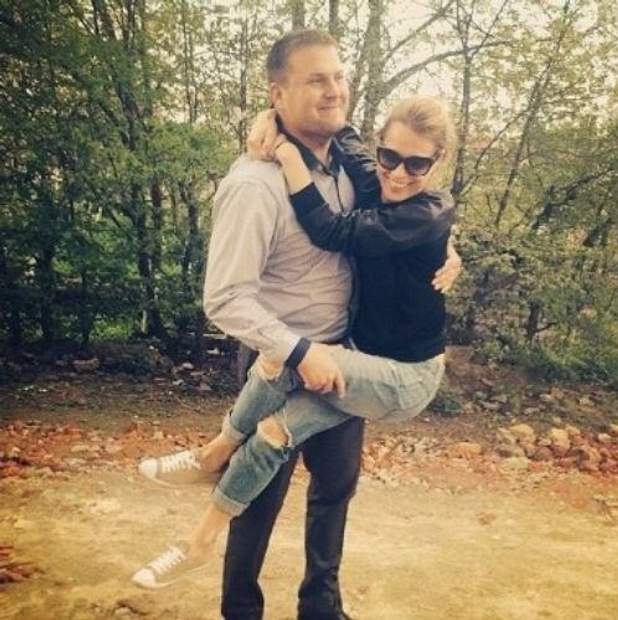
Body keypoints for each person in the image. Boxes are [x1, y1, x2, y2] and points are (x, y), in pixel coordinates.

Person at [133, 30, 461, 620]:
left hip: (351, 353)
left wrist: (447, 249)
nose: (334, 90)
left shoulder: (354, 170)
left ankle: (321, 609)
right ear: (278, 93)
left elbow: (410, 212)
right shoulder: (254, 183)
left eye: (338, 76)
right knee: (261, 494)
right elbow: (225, 298)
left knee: (335, 491)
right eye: (315, 80)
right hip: (283, 353)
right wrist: (296, 350)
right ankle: (240, 609)